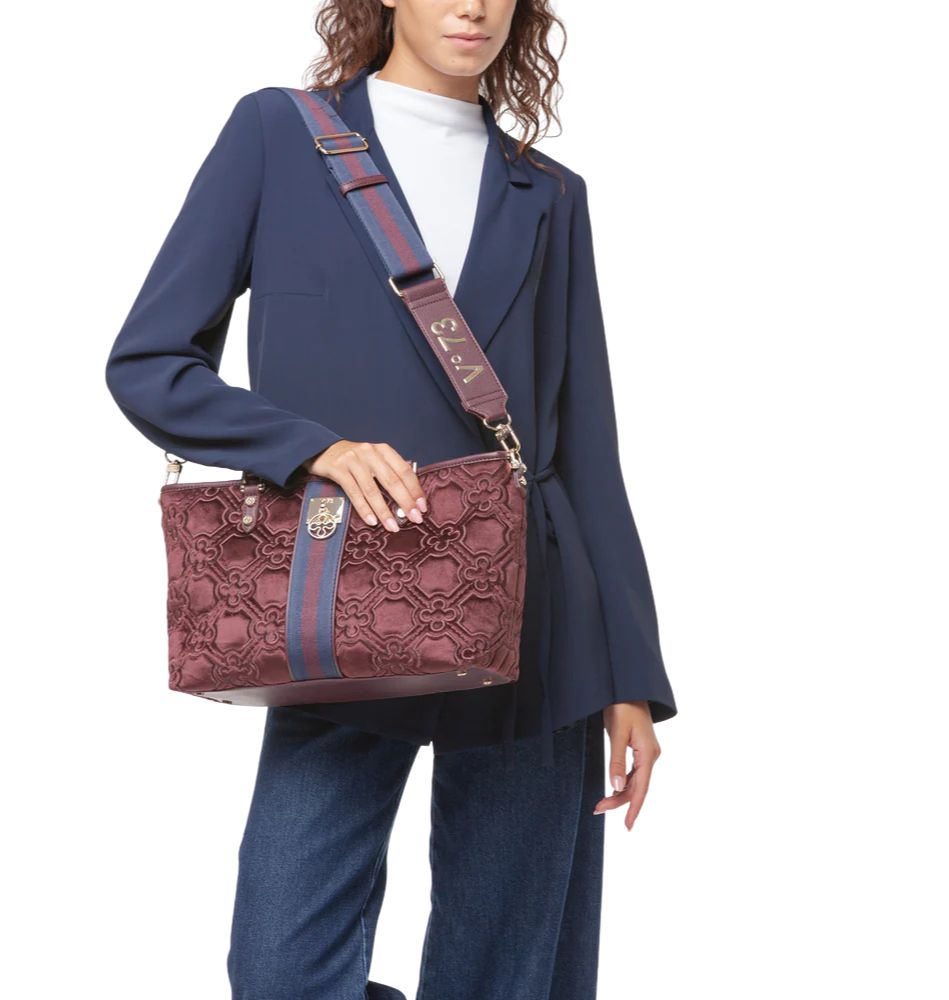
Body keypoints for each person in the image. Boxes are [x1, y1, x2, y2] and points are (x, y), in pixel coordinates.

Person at [104, 2, 677, 997]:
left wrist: (630, 674)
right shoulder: (279, 135)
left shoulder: (548, 193)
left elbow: (585, 444)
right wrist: (311, 449)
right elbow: (149, 364)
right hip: (345, 602)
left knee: (506, 971)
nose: (474, 5)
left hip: (535, 617)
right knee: (282, 968)